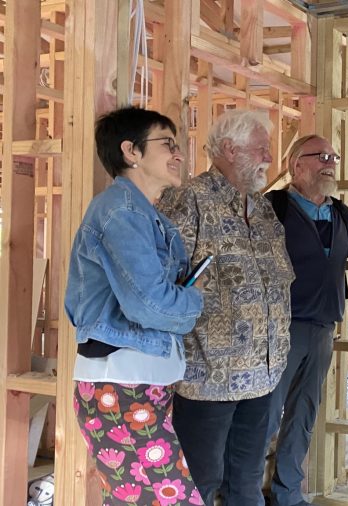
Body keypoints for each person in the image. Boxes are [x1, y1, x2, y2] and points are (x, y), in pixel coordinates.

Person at [66, 106, 205, 505]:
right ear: (131, 151)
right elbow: (151, 306)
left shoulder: (143, 214)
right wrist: (193, 301)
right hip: (121, 385)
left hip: (136, 382)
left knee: (135, 499)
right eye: (168, 144)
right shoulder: (121, 212)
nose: (179, 154)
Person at [157, 110, 295, 506]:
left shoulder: (264, 209)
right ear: (230, 150)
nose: (269, 158)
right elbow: (165, 280)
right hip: (208, 377)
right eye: (261, 149)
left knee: (247, 482)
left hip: (264, 375)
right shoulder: (189, 199)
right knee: (199, 482)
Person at [265, 135, 348, 506]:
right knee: (266, 417)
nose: (330, 162)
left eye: (333, 156)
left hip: (322, 328)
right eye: (321, 156)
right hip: (279, 328)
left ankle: (287, 495)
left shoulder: (337, 212)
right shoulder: (274, 207)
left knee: (303, 416)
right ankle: (243, 494)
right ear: (296, 165)